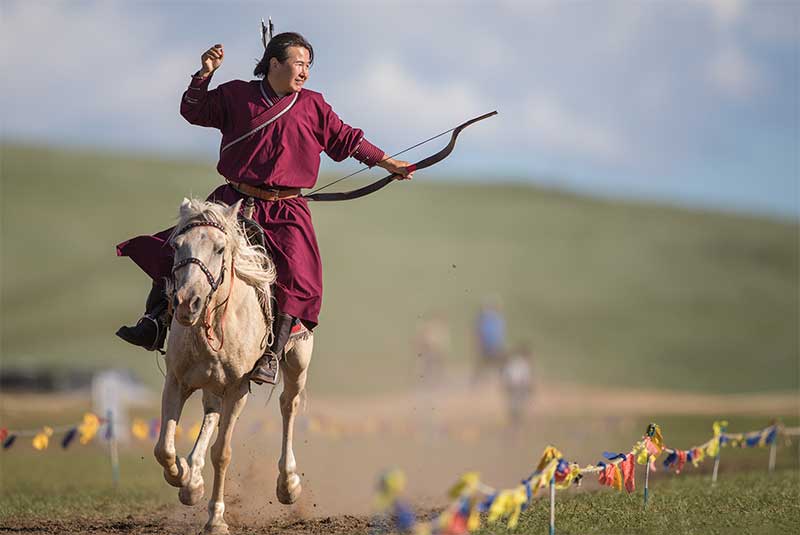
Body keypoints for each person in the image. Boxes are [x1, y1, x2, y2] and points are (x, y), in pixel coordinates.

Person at [115, 32, 413, 386]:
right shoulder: (237, 95)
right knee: (180, 249)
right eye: (298, 63)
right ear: (274, 63)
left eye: (308, 66)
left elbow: (347, 139)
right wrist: (204, 73)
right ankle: (155, 321)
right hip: (233, 201)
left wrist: (389, 163)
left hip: (287, 209)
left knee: (301, 277)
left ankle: (272, 354)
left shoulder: (314, 105)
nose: (304, 72)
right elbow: (193, 111)